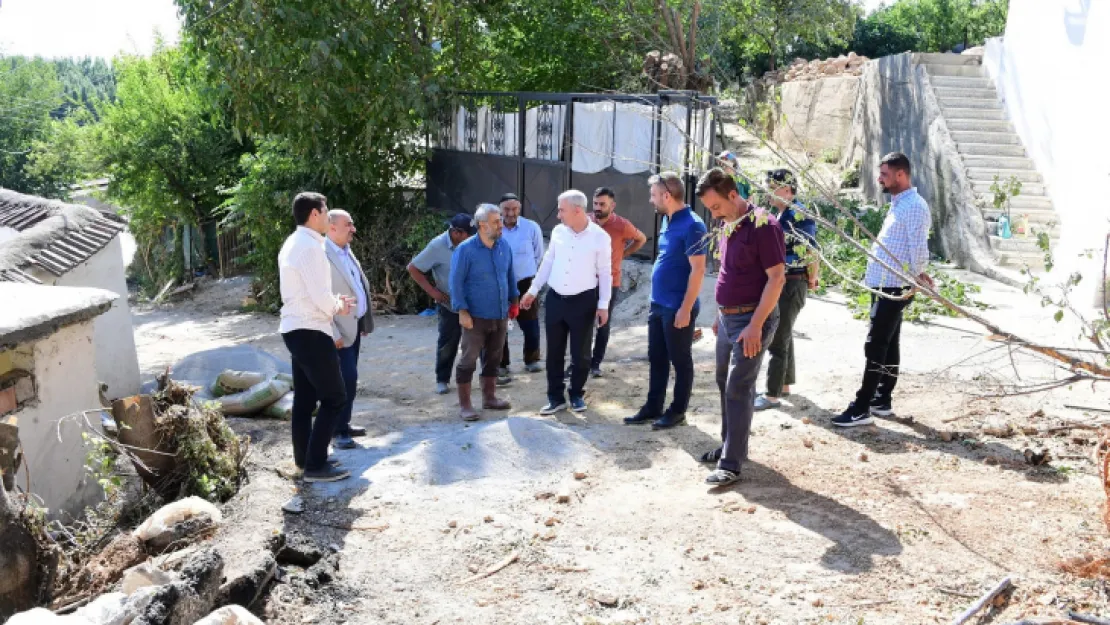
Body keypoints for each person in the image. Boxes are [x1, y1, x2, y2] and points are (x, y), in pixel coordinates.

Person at [694, 169, 786, 486]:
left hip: (752, 321)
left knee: (738, 386)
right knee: (725, 382)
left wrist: (755, 325)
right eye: (710, 209)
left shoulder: (764, 226)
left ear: (733, 195)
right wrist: (720, 314)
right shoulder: (726, 224)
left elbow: (776, 279)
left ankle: (731, 464)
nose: (714, 214)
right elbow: (728, 273)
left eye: (717, 206)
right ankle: (730, 448)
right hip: (729, 319)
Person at [834, 152, 934, 427]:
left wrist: (918, 275)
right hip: (885, 284)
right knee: (889, 343)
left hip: (895, 285)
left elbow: (918, 248)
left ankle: (862, 406)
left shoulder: (914, 205)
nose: (880, 178)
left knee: (876, 344)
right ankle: (882, 398)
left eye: (885, 174)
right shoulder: (899, 202)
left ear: (901, 174)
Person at [277, 192, 355, 483]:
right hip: (310, 329)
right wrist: (340, 305)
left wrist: (332, 302)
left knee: (306, 398)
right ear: (313, 214)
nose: (327, 217)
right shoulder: (309, 248)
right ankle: (316, 466)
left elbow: (309, 292)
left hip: (298, 328)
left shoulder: (295, 242)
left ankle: (305, 458)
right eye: (324, 212)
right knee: (335, 397)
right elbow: (321, 298)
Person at [623, 172, 708, 430]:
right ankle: (653, 406)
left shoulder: (693, 225)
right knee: (657, 357)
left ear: (667, 196)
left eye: (653, 195)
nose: (651, 200)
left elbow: (698, 270)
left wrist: (685, 308)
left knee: (680, 360)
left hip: (677, 308)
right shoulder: (667, 220)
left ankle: (678, 410)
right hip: (658, 304)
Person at [521, 190, 611, 415]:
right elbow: (548, 261)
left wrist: (603, 305)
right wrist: (533, 290)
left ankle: (577, 394)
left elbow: (605, 273)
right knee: (554, 351)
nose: (558, 215)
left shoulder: (600, 237)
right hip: (555, 298)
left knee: (581, 353)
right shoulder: (559, 232)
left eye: (561, 210)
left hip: (583, 301)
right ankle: (555, 397)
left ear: (577, 210)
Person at [754, 170, 818, 411]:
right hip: (787, 281)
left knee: (778, 339)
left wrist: (812, 276)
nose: (768, 191)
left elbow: (808, 249)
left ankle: (771, 395)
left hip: (792, 282)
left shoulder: (798, 214)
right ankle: (784, 385)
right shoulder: (782, 213)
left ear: (788, 190)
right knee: (785, 333)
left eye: (773, 186)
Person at [449, 204, 518, 421]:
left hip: (500, 313)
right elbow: (455, 282)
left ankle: (489, 398)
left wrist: (514, 300)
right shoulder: (465, 250)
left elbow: (510, 275)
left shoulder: (503, 246)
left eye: (500, 220)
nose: (501, 225)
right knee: (468, 359)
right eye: (496, 221)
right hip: (474, 316)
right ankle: (466, 405)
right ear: (482, 225)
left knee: (494, 357)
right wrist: (462, 310)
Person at [569, 187, 646, 378]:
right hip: (584, 280)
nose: (597, 207)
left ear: (613, 205)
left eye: (602, 204)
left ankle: (595, 363)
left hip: (610, 281)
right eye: (595, 203)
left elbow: (641, 239)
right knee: (580, 324)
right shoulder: (584, 220)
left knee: (603, 323)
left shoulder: (621, 225)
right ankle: (577, 363)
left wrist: (624, 254)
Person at [407, 214, 477, 395]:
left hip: (475, 303)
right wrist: (433, 292)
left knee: (480, 340)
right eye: (468, 234)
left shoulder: (474, 243)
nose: (472, 237)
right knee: (448, 343)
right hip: (450, 305)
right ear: (456, 233)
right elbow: (413, 268)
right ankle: (442, 379)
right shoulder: (437, 246)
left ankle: (489, 377)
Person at [324, 209, 375, 450]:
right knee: (345, 379)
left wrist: (362, 320)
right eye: (348, 224)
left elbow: (357, 286)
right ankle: (337, 431)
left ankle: (344, 423)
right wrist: (333, 333)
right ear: (331, 227)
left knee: (351, 378)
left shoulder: (344, 249)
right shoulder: (322, 254)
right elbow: (319, 299)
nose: (353, 228)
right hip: (337, 333)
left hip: (352, 327)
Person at [498, 193, 545, 377]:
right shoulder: (494, 227)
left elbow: (539, 255)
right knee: (500, 325)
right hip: (500, 283)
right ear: (500, 209)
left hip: (526, 283)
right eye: (507, 209)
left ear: (520, 209)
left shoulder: (531, 227)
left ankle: (532, 360)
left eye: (515, 209)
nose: (511, 213)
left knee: (531, 323)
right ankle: (502, 364)